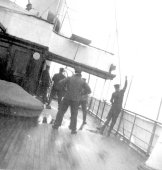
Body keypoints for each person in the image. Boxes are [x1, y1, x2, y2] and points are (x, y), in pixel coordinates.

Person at [52, 67, 91, 134]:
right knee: (74, 114)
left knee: (61, 111)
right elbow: (89, 91)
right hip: (76, 100)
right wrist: (81, 93)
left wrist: (65, 88)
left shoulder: (69, 78)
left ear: (75, 72)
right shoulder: (82, 81)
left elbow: (60, 82)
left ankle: (56, 125)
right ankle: (73, 129)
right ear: (80, 73)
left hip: (67, 97)